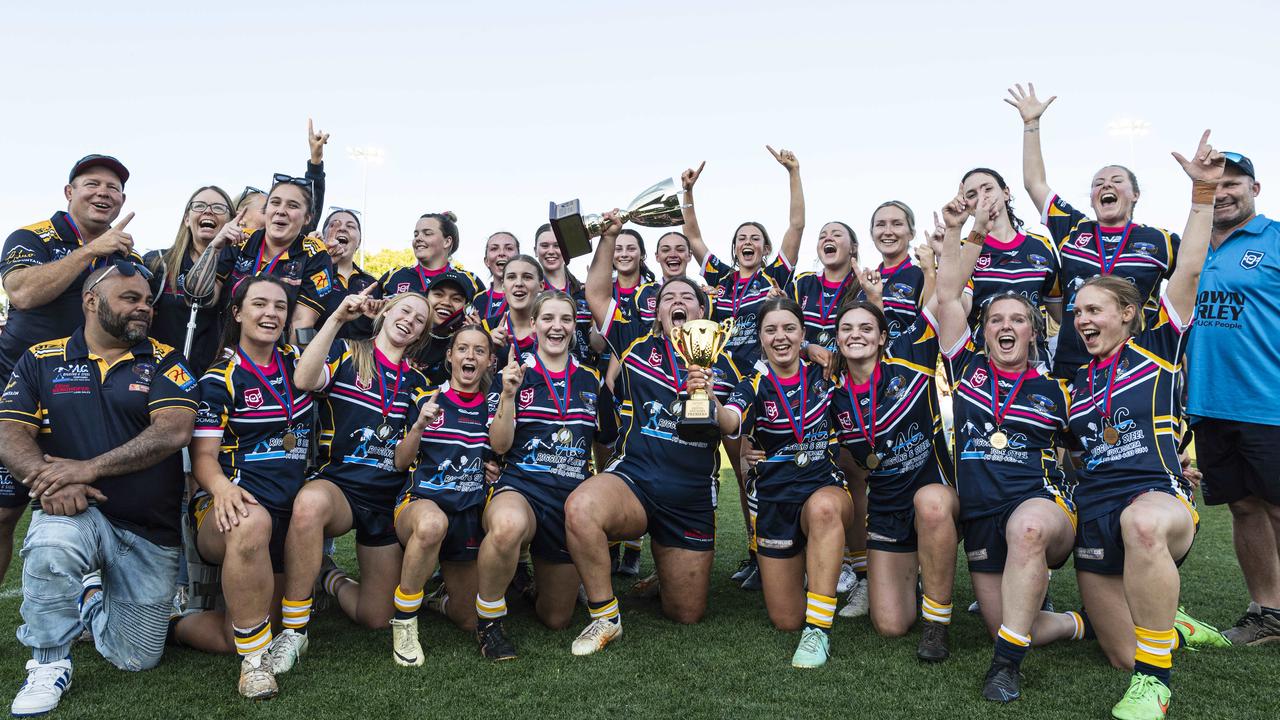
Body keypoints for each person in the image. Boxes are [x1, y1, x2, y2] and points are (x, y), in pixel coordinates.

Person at [1067, 132, 1230, 720]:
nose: (1083, 319)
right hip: (1096, 513)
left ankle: (1155, 685)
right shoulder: (1074, 383)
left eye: (1094, 310)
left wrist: (1203, 191)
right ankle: (1174, 621)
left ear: (1129, 314)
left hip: (1156, 501)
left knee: (1141, 525)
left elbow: (1186, 267)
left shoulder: (1161, 344)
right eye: (1078, 311)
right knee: (1118, 652)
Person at [0, 262, 197, 716]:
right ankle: (48, 663)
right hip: (76, 514)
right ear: (91, 301)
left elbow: (172, 431)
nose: (144, 308)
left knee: (136, 657)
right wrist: (44, 480)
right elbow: (9, 430)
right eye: (131, 298)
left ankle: (89, 598)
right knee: (52, 539)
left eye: (147, 300)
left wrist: (87, 469)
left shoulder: (165, 357)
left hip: (150, 531)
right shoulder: (42, 358)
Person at [932, 193, 1089, 702]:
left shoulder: (1055, 389)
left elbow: (1091, 447)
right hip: (982, 515)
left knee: (1027, 528)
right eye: (996, 319)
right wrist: (965, 230)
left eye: (1017, 319)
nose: (1005, 326)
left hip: (1042, 510)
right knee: (1006, 622)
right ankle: (1074, 622)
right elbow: (949, 295)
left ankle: (1006, 668)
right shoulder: (966, 368)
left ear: (1033, 330)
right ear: (983, 331)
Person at [565, 214, 743, 656]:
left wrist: (712, 398)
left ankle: (664, 571)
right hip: (637, 482)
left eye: (688, 296)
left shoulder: (725, 363)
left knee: (686, 614)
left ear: (703, 312)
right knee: (582, 507)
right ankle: (606, 615)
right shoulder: (634, 345)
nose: (678, 301)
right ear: (657, 310)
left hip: (691, 498)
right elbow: (597, 293)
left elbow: (736, 425)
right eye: (669, 297)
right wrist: (608, 237)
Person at [268, 289, 433, 673]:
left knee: (375, 616)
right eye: (404, 310)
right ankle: (295, 629)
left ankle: (330, 577)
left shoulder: (419, 382)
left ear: (421, 334)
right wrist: (338, 317)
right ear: (385, 313)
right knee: (309, 503)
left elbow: (405, 455)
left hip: (385, 499)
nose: (409, 320)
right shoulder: (347, 351)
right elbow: (305, 378)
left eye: (419, 319)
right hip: (340, 486)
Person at [171, 276, 317, 700]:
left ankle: (178, 626)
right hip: (234, 509)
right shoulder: (220, 378)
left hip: (287, 514)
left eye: (279, 306)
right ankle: (250, 666)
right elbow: (202, 458)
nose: (270, 313)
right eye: (259, 304)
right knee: (251, 524)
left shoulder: (299, 363)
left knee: (240, 633)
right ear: (238, 313)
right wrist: (219, 488)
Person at [0, 154, 142, 586]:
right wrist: (90, 251)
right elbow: (22, 292)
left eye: (113, 188)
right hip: (19, 392)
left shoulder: (123, 254)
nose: (103, 193)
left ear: (122, 201)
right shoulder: (33, 235)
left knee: (93, 503)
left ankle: (90, 605)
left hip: (82, 397)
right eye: (92, 184)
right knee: (4, 512)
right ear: (69, 192)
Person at [679, 148, 805, 588]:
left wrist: (793, 172)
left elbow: (796, 227)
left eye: (755, 238)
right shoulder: (718, 279)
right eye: (740, 238)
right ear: (734, 248)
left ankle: (774, 550)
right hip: (720, 385)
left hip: (762, 384)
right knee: (740, 468)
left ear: (765, 248)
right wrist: (688, 192)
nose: (747, 243)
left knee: (760, 468)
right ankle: (755, 552)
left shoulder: (776, 277)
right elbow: (693, 238)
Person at [1007, 83, 1180, 380]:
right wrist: (1031, 124)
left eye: (1116, 181)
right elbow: (1034, 183)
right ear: (1091, 198)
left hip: (1138, 366)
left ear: (1135, 194)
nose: (1106, 186)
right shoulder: (1072, 227)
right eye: (1098, 183)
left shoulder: (1161, 241)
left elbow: (1189, 289)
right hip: (1073, 365)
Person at [714, 298, 852, 668]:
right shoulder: (752, 384)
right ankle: (816, 566)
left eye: (789, 328)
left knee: (824, 510)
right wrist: (708, 402)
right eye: (771, 329)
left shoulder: (826, 372)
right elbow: (729, 420)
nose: (780, 337)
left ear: (803, 334)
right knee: (786, 619)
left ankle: (818, 630)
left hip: (824, 485)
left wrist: (813, 350)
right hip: (776, 498)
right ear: (759, 337)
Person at [826, 285, 958, 661]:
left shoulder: (910, 358)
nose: (856, 335)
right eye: (847, 328)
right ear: (837, 338)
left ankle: (937, 625)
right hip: (886, 508)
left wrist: (962, 231)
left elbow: (943, 294)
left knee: (930, 503)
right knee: (890, 625)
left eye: (866, 328)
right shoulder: (834, 397)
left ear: (883, 337)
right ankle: (914, 582)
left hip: (936, 498)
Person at [473, 291, 600, 660]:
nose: (556, 327)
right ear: (533, 325)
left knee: (557, 618)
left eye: (565, 319)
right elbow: (498, 445)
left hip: (569, 499)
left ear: (574, 327)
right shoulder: (513, 374)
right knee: (508, 525)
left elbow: (604, 441)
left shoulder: (589, 380)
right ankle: (489, 622)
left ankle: (525, 585)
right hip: (522, 488)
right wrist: (509, 395)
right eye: (548, 319)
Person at [1186, 151, 1280, 645]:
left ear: (1255, 189)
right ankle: (1267, 613)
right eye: (1215, 184)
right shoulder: (1192, 246)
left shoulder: (1275, 238)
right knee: (1244, 508)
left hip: (1269, 401)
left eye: (1234, 182)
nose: (1223, 191)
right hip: (1210, 402)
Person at [390, 324, 496, 665]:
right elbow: (399, 461)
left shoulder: (494, 408)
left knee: (468, 619)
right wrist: (419, 426)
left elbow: (503, 454)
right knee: (433, 524)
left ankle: (435, 598)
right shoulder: (426, 399)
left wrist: (494, 469)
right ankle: (405, 623)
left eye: (479, 351)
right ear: (449, 355)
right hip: (422, 505)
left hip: (467, 513)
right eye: (462, 348)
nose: (470, 356)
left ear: (490, 361)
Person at [789, 220, 874, 613]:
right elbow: (784, 328)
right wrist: (808, 347)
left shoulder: (863, 282)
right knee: (811, 470)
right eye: (823, 235)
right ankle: (831, 561)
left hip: (853, 387)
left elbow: (876, 328)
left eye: (837, 234)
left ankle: (862, 571)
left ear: (853, 247)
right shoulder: (803, 284)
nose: (828, 239)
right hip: (808, 392)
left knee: (854, 473)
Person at [189, 175, 338, 346]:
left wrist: (290, 368)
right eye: (275, 202)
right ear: (266, 210)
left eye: (292, 205)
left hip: (276, 359)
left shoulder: (314, 253)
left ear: (307, 218)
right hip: (226, 353)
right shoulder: (241, 240)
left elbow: (301, 325)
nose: (281, 210)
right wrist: (214, 247)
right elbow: (197, 297)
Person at [957, 168, 1061, 360]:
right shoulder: (963, 249)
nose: (982, 197)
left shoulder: (1042, 246)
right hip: (984, 363)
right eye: (972, 194)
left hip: (1036, 361)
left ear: (1006, 192)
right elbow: (959, 309)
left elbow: (1059, 314)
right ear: (966, 206)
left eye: (987, 188)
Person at [145, 185, 237, 375]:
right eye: (199, 206)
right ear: (187, 219)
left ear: (231, 222)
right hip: (161, 376)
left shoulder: (241, 268)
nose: (208, 211)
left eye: (219, 208)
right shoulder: (157, 263)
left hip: (219, 380)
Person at [227, 119, 330, 237]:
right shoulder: (223, 248)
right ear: (240, 217)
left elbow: (309, 206)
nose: (278, 211)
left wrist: (315, 162)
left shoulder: (290, 248)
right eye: (265, 208)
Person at [862, 200, 933, 339]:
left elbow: (931, 329)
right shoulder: (864, 280)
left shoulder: (922, 275)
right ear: (872, 233)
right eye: (880, 224)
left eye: (897, 224)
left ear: (911, 233)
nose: (888, 232)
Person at [378, 212, 484, 303]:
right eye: (416, 234)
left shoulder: (469, 281)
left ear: (447, 242)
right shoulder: (394, 276)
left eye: (427, 233)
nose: (418, 238)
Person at [318, 207, 378, 339]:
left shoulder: (373, 284)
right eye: (334, 224)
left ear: (359, 242)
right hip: (318, 356)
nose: (342, 229)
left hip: (361, 358)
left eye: (350, 226)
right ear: (323, 236)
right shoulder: (310, 274)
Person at [473, 232, 520, 325]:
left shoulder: (525, 296)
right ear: (486, 261)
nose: (501, 253)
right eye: (494, 249)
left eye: (509, 248)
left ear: (519, 258)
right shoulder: (478, 299)